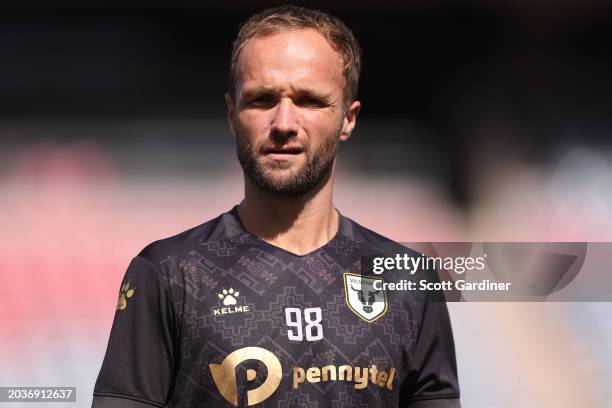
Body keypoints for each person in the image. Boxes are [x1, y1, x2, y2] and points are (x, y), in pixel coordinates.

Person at [92, 5, 460, 408]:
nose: (284, 122)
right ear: (232, 114)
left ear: (348, 119)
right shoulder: (167, 272)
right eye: (262, 100)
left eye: (309, 101)